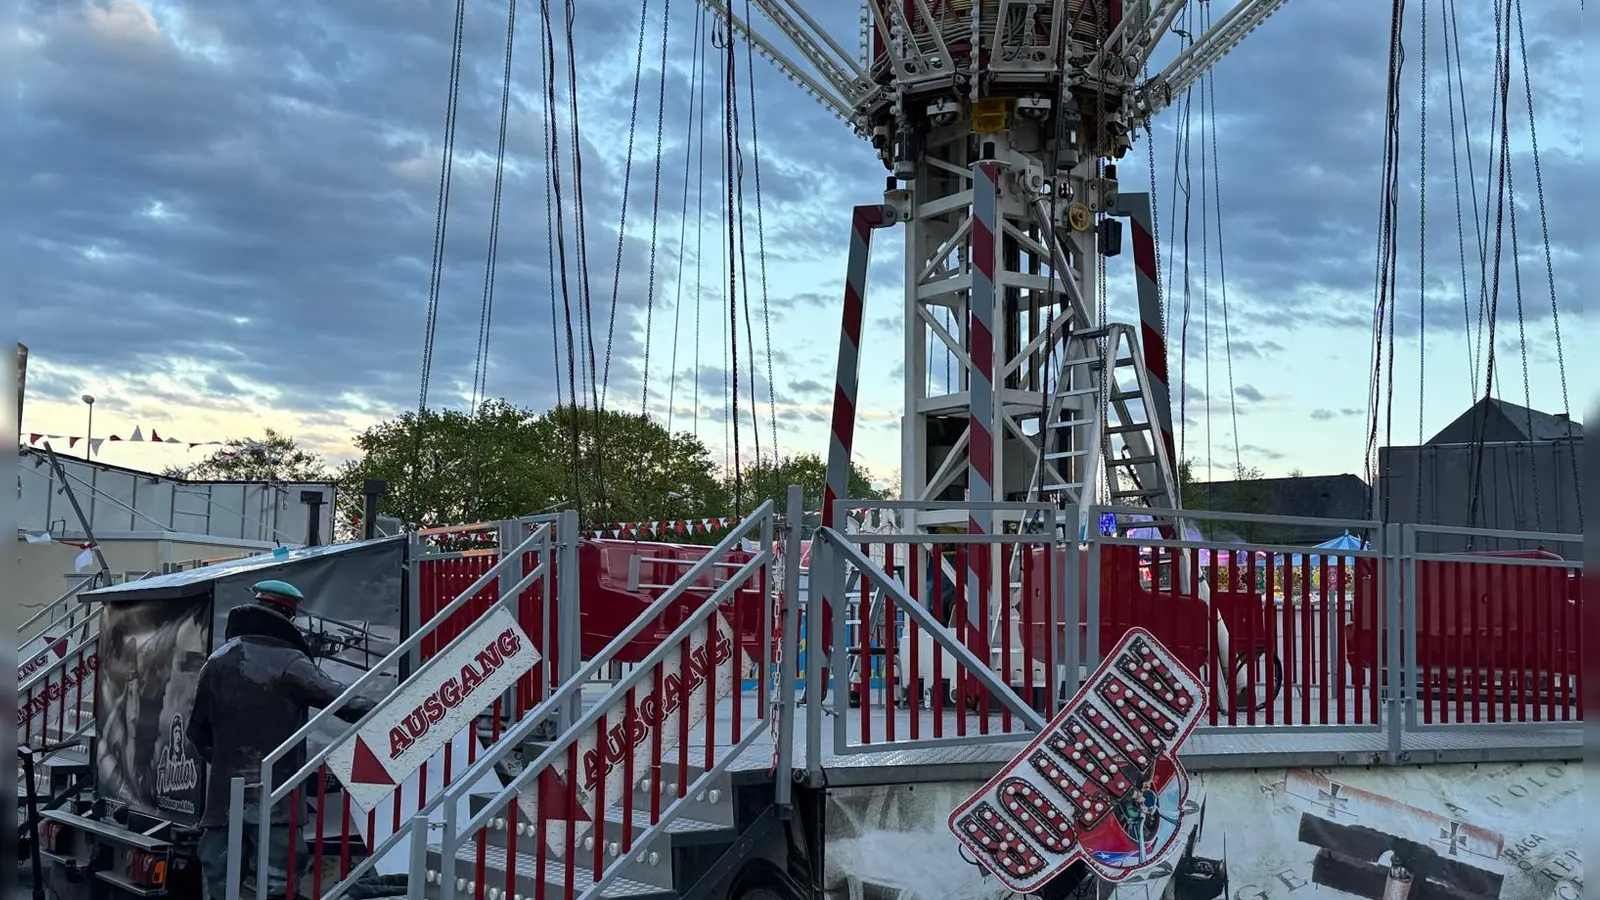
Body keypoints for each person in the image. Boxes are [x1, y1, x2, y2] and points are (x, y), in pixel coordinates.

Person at [188, 580, 377, 900]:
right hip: (277, 798)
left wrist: (225, 764)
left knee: (220, 876)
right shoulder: (291, 661)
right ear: (288, 617)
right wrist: (391, 709)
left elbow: (197, 732)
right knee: (276, 877)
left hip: (225, 797)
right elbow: (342, 701)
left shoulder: (217, 661)